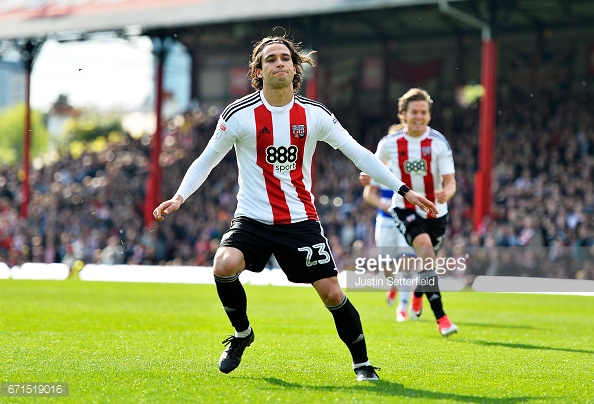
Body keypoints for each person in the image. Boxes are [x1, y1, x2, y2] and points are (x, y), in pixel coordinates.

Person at [153, 35, 437, 381]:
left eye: (285, 58)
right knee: (223, 265)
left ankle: (362, 365)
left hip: (300, 220)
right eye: (270, 59)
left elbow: (359, 153)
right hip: (253, 219)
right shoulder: (239, 115)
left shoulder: (314, 114)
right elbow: (206, 160)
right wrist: (180, 196)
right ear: (258, 70)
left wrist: (403, 189)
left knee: (332, 294)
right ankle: (242, 334)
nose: (279, 64)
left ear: (295, 66)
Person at [362, 88, 458, 337]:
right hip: (405, 208)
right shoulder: (390, 144)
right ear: (403, 114)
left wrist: (446, 192)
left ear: (429, 114)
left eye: (423, 112)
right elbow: (374, 166)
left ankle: (418, 292)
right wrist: (367, 174)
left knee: (428, 261)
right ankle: (442, 318)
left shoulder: (438, 143)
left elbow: (451, 181)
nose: (419, 117)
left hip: (437, 212)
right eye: (414, 112)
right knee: (424, 250)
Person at [360, 129, 415, 323]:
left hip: (407, 220)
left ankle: (402, 308)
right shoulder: (380, 168)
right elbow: (368, 194)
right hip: (385, 221)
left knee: (408, 263)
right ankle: (393, 285)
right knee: (387, 267)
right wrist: (382, 204)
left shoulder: (411, 166)